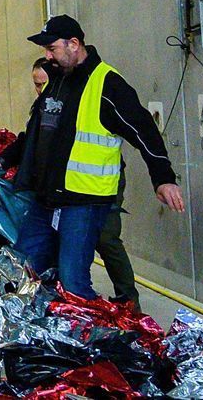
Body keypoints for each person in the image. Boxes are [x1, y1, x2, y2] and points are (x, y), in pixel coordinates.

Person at [0, 15, 184, 300]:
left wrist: (163, 179)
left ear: (74, 44)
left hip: (83, 202)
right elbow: (35, 132)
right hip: (47, 199)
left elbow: (145, 131)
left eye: (52, 48)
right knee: (21, 269)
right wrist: (3, 160)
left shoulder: (108, 85)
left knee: (73, 283)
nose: (47, 56)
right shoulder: (57, 82)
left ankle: (92, 336)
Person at [30, 58, 141, 307]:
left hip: (101, 181)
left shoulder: (78, 96)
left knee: (106, 238)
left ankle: (129, 301)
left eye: (43, 84)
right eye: (36, 85)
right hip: (72, 185)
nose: (40, 90)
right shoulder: (46, 105)